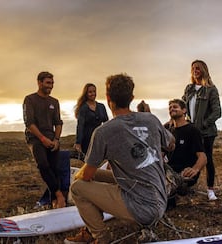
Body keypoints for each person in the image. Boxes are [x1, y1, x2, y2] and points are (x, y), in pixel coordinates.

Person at [65, 73, 175, 244]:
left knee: (77, 187)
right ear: (132, 97)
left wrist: (78, 176)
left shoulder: (104, 131)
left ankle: (101, 238)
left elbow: (86, 175)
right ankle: (89, 229)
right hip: (161, 200)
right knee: (96, 176)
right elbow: (171, 144)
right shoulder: (151, 120)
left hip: (142, 208)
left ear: (108, 98)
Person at [23, 71, 66, 209]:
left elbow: (58, 123)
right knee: (43, 165)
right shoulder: (30, 99)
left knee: (55, 169)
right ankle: (59, 195)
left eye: (52, 83)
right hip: (35, 137)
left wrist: (57, 139)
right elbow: (29, 123)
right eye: (48, 83)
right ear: (39, 82)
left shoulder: (54, 102)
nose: (50, 86)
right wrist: (42, 138)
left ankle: (54, 201)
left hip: (52, 138)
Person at [182, 59, 221, 201]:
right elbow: (182, 106)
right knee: (191, 158)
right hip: (191, 131)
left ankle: (210, 190)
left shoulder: (211, 89)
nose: (195, 71)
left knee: (207, 160)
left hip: (207, 132)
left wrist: (203, 124)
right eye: (193, 68)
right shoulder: (189, 89)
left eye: (198, 68)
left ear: (203, 70)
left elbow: (217, 112)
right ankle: (187, 187)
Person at [165, 99, 207, 208]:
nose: (172, 109)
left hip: (184, 172)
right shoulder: (167, 130)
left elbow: (202, 157)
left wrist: (195, 169)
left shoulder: (193, 130)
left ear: (184, 110)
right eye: (170, 108)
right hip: (169, 170)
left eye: (175, 107)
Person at [73, 83, 109, 155]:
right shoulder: (83, 108)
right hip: (87, 140)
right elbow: (80, 126)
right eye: (90, 92)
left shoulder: (101, 106)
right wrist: (78, 143)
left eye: (94, 91)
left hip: (99, 139)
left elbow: (106, 123)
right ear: (86, 94)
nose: (93, 94)